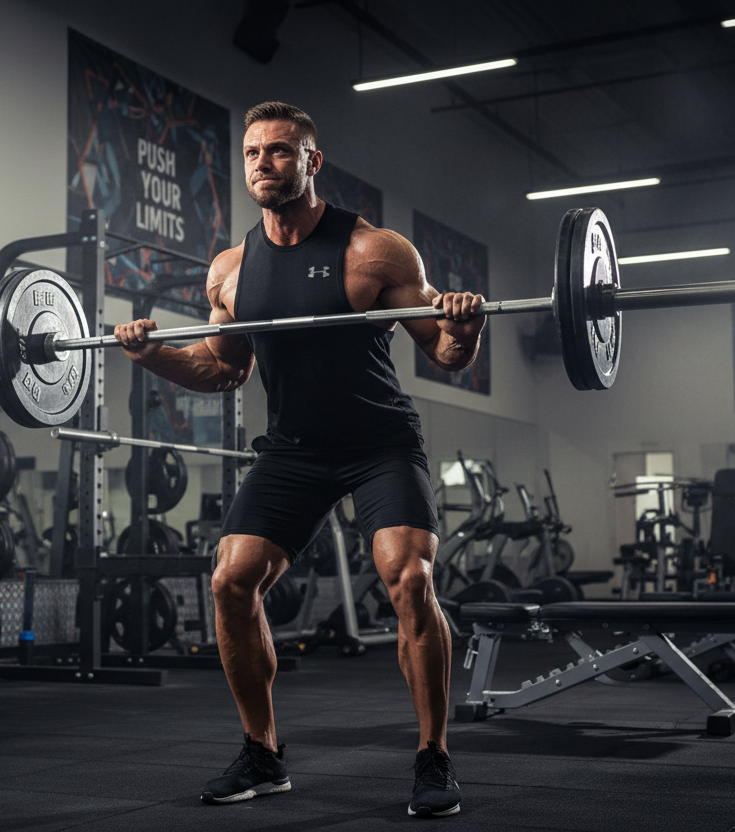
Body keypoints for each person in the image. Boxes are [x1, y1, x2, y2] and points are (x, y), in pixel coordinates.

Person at [113, 101, 485, 819]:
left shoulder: (375, 251)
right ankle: (262, 752)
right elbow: (224, 370)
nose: (264, 163)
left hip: (379, 442)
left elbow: (444, 352)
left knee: (409, 578)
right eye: (253, 152)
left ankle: (433, 755)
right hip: (294, 448)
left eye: (280, 150)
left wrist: (464, 328)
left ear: (312, 162)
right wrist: (152, 355)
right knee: (231, 579)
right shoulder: (230, 270)